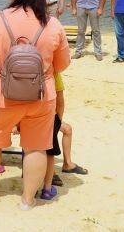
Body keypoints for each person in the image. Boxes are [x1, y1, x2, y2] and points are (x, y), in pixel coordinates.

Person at [0, 0, 70, 211]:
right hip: (41, 96)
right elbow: (62, 65)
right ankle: (27, 199)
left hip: (1, 94)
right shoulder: (52, 23)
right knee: (36, 146)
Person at [39, 72, 88, 200]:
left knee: (67, 129)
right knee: (49, 147)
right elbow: (60, 102)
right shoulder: (53, 73)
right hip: (44, 119)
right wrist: (57, 122)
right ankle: (50, 177)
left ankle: (67, 164)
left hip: (32, 117)